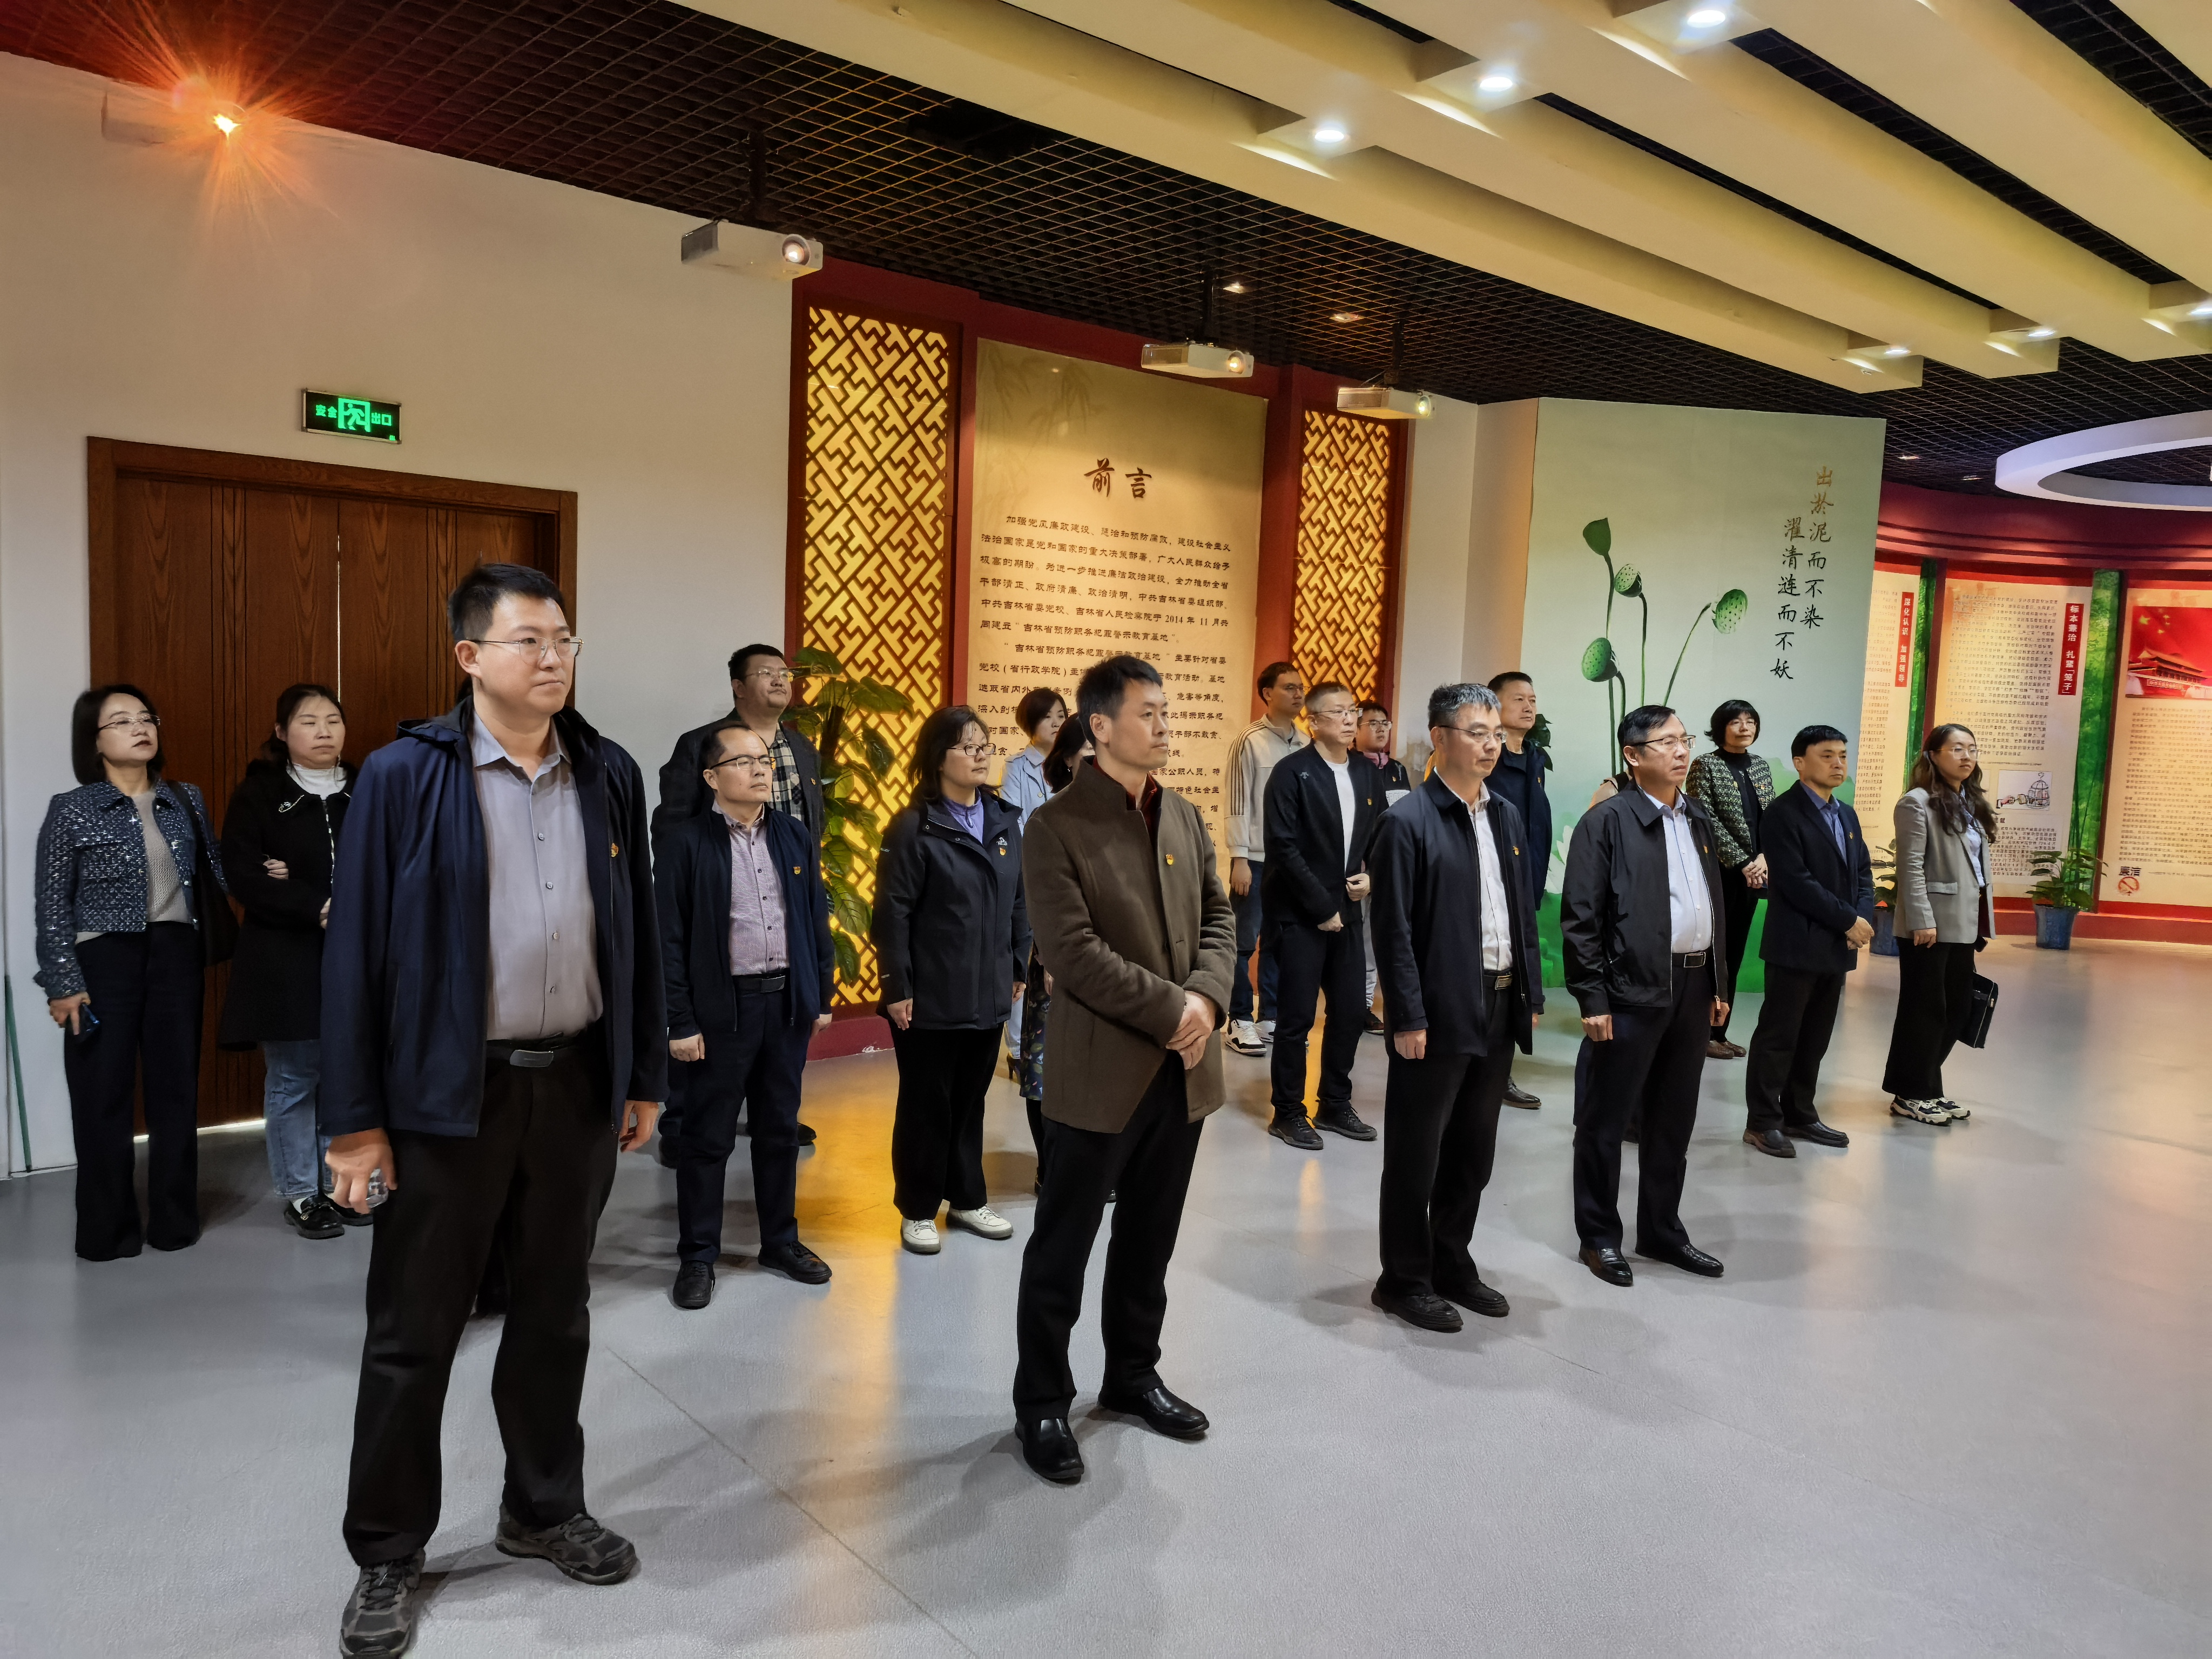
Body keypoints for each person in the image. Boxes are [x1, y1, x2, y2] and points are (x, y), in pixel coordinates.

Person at [320, 564, 665, 1658]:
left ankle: (543, 1507)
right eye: (529, 640)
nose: (553, 657)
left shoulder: (607, 771)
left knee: (556, 1313)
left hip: (573, 1085)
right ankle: (388, 1551)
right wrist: (355, 1121)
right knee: (414, 1330)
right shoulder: (402, 776)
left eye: (563, 638)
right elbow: (354, 951)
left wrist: (641, 1073)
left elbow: (636, 926)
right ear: (470, 657)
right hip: (444, 1094)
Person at [1013, 655, 1235, 1485]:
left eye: (1167, 711)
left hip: (1184, 1072)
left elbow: (1219, 917)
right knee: (1063, 1247)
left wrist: (1206, 1001)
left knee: (1150, 1240)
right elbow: (1071, 952)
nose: (1165, 725)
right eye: (1149, 712)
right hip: (1101, 1074)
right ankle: (1042, 1401)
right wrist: (1174, 1012)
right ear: (1100, 726)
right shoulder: (1056, 826)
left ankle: (1133, 1376)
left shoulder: (1183, 815)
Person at [1368, 684, 1543, 1332]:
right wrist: (1407, 1015)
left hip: (1497, 1002)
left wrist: (1529, 995)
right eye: (1476, 732)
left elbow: (1520, 913)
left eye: (1496, 733)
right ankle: (1402, 1279)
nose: (1491, 744)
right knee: (1416, 1154)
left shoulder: (1505, 816)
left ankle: (1451, 1262)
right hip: (1437, 1009)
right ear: (1440, 738)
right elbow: (1392, 932)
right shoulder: (1407, 822)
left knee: (1473, 1150)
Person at [35, 685, 231, 1262]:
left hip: (175, 954)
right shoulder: (71, 808)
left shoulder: (185, 798)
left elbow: (214, 872)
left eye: (146, 718)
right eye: (121, 721)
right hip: (103, 960)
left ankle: (174, 1221)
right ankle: (107, 1231)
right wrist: (63, 981)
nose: (140, 728)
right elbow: (52, 903)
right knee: (101, 1094)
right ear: (94, 742)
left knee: (176, 1090)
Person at [660, 721, 835, 1307]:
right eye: (744, 762)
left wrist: (819, 995)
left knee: (779, 1132)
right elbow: (669, 939)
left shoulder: (792, 835)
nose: (761, 770)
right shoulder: (686, 843)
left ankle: (779, 1242)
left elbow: (813, 919)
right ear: (712, 777)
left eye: (765, 761)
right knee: (706, 1138)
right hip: (721, 1011)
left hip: (785, 1005)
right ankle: (698, 1255)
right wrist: (681, 1021)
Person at [1559, 704, 1730, 1288]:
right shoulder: (1606, 822)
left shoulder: (1697, 816)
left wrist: (1718, 983)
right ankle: (1599, 1237)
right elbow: (1581, 918)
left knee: (1672, 1119)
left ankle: (1661, 1230)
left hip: (1693, 986)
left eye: (1684, 740)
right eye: (1665, 743)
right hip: (1630, 989)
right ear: (1633, 756)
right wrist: (1592, 998)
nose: (1681, 751)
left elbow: (1713, 906)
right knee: (1605, 1120)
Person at [652, 642, 825, 1160]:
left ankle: (775, 1116)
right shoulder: (700, 745)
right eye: (766, 672)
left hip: (784, 888)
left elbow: (814, 822)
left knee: (778, 1050)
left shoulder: (801, 747)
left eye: (785, 673)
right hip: (717, 902)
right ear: (738, 687)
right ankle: (681, 1125)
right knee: (704, 1037)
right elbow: (672, 826)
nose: (780, 680)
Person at [877, 705, 1031, 1254]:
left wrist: (1018, 965)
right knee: (927, 1104)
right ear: (938, 758)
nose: (980, 756)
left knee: (970, 1103)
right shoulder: (914, 826)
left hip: (988, 988)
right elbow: (891, 912)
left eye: (984, 746)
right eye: (968, 747)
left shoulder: (1004, 821)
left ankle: (967, 1199)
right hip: (930, 994)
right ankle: (918, 1208)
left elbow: (1019, 900)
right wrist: (897, 987)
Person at [218, 683, 359, 1240]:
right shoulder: (260, 793)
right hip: (284, 957)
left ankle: (341, 1185)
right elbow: (244, 873)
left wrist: (322, 892)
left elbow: (396, 861)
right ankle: (303, 1192)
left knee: (347, 1074)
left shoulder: (368, 788)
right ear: (281, 733)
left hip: (358, 953)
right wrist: (315, 903)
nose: (324, 731)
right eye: (308, 722)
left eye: (333, 720)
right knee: (296, 1076)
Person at [1260, 681, 1384, 1149]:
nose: (1350, 719)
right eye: (1338, 712)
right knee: (1295, 1019)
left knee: (1350, 1012)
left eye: (1353, 711)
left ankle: (1334, 1103)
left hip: (1347, 910)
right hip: (1300, 912)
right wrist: (1321, 907)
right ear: (1313, 722)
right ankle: (1288, 1111)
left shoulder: (1366, 772)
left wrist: (1372, 877)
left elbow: (1380, 837)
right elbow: (1283, 847)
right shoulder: (1292, 773)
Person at [1741, 725, 1871, 1157]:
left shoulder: (1846, 814)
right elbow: (1797, 882)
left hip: (1836, 945)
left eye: (1842, 755)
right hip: (1796, 943)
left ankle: (1800, 1113)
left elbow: (1863, 874)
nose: (1838, 763)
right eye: (1827, 755)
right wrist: (1848, 920)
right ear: (1800, 762)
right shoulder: (1782, 813)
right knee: (1779, 1036)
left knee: (1815, 1037)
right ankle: (1763, 1122)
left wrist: (1861, 918)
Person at [1883, 724, 1995, 1126]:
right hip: (1929, 925)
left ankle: (1927, 1087)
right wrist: (1921, 919)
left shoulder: (1968, 801)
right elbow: (1910, 866)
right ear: (1933, 755)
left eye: (1972, 749)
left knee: (1957, 1009)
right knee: (1925, 1011)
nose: (1967, 756)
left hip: (1963, 922)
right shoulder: (1916, 803)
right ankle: (1911, 1094)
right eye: (1957, 749)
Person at [1014, 718, 1095, 1166]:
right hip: (1058, 959)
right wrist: (1049, 959)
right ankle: (1051, 1165)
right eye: (1089, 755)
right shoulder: (1050, 818)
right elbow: (1039, 895)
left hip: (1110, 961)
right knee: (1045, 1068)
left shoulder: (1124, 814)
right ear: (1066, 760)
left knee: (1097, 1066)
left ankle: (1092, 1165)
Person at [1223, 660, 1307, 1057]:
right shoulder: (1249, 740)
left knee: (1279, 940)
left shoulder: (1306, 743)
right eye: (1289, 687)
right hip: (1254, 859)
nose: (1298, 693)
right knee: (1242, 941)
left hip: (1290, 862)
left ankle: (1269, 1015)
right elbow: (1238, 800)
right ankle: (1238, 1017)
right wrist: (1239, 856)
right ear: (1267, 694)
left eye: (1300, 687)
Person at [1685, 699, 1775, 1060]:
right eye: (1736, 721)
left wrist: (1764, 858)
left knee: (1734, 954)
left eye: (1750, 721)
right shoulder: (1705, 765)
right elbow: (1703, 818)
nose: (1744, 727)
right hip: (1719, 873)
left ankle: (1720, 1033)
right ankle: (1701, 1032)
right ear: (1720, 727)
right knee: (1713, 953)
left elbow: (1770, 819)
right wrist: (1743, 862)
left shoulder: (1761, 766)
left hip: (1754, 874)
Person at [1486, 671, 1554, 1107]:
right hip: (1491, 885)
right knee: (1490, 980)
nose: (1529, 707)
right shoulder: (1487, 755)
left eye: (1532, 699)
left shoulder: (1535, 757)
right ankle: (1480, 1072)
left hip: (1525, 884)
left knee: (1516, 984)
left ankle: (1499, 1073)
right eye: (1518, 699)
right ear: (1495, 705)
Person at [1355, 700, 1412, 1031]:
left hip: (1390, 868)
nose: (1380, 729)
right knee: (1354, 941)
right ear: (1356, 729)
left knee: (1375, 941)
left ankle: (1365, 1006)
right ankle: (1350, 1004)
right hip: (1357, 869)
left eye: (1385, 724)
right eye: (1372, 723)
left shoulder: (1398, 770)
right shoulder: (1350, 766)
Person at [997, 687, 1068, 829]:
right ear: (1030, 722)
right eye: (1047, 717)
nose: (1056, 723)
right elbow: (1012, 822)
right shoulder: (1015, 768)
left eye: (1061, 716)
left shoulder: (1072, 763)